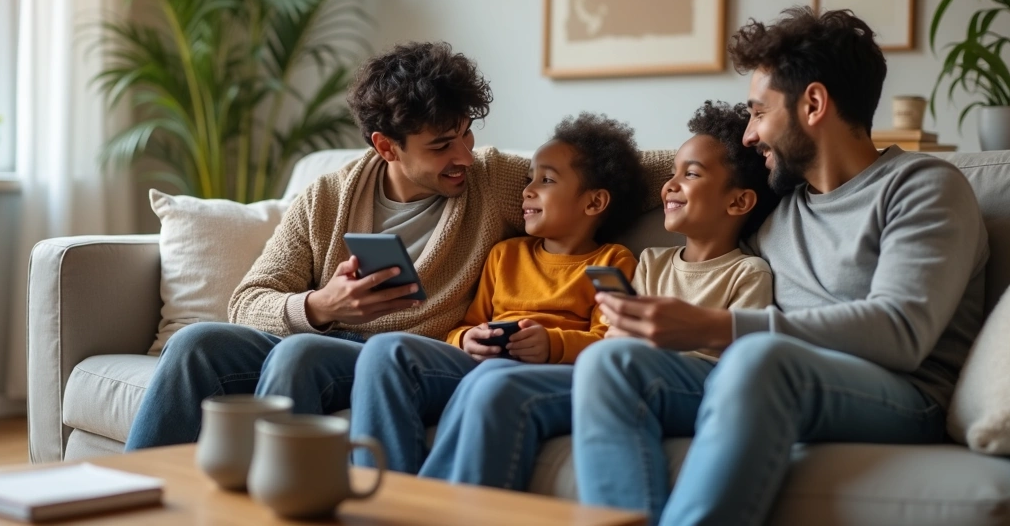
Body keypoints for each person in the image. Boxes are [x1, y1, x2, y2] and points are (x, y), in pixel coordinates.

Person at [125, 43, 672, 450]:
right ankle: (127, 499)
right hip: (325, 337)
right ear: (387, 146)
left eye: (465, 133)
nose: (463, 153)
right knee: (198, 344)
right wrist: (320, 306)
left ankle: (276, 498)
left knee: (300, 353)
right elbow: (248, 301)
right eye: (441, 145)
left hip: (408, 357)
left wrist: (736, 154)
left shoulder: (494, 180)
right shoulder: (327, 197)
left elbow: (624, 170)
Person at [573, 7, 989, 526]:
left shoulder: (922, 186)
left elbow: (902, 331)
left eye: (758, 113)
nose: (748, 135)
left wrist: (715, 326)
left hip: (901, 393)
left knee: (759, 359)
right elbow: (699, 186)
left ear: (813, 103)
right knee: (610, 364)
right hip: (767, 382)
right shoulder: (779, 207)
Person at [413, 100, 780, 490]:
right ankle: (424, 504)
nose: (669, 185)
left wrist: (562, 344)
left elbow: (743, 363)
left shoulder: (746, 272)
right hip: (616, 372)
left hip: (674, 383)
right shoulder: (652, 262)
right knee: (484, 378)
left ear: (739, 201)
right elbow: (617, 334)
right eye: (671, 173)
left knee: (498, 384)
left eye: (689, 174)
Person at [347, 113, 646, 474]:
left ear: (595, 203)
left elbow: (612, 342)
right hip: (484, 364)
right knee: (385, 348)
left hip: (548, 372)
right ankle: (386, 493)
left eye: (547, 180)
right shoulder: (506, 254)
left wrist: (553, 344)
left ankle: (429, 499)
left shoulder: (613, 261)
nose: (527, 190)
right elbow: (468, 324)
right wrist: (467, 339)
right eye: (528, 178)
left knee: (492, 382)